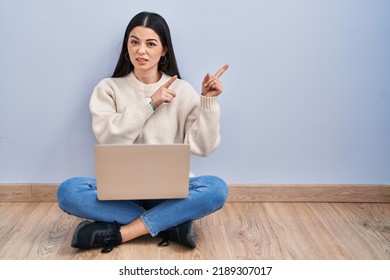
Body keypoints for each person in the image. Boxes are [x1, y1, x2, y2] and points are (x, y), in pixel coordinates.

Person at [57, 11, 229, 253]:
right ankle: (170, 223)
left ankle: (122, 232)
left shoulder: (183, 90)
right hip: (121, 193)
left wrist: (208, 104)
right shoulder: (108, 88)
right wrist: (151, 103)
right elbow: (109, 138)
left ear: (164, 50)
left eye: (150, 44)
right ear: (127, 47)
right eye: (134, 42)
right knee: (68, 191)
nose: (141, 51)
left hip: (169, 192)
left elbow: (204, 147)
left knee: (217, 188)